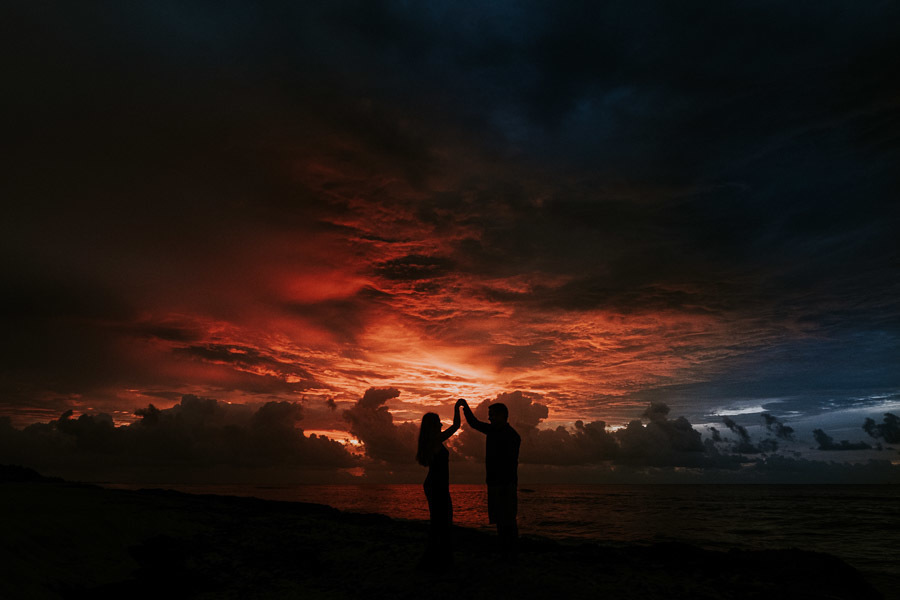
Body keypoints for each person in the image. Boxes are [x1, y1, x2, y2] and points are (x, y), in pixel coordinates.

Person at [458, 398, 521, 554]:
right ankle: (505, 549)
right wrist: (465, 407)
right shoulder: (496, 431)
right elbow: (474, 423)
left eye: (492, 415)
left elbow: (509, 462)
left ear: (502, 416)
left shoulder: (511, 436)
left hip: (505, 483)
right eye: (490, 415)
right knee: (501, 519)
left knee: (508, 519)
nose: (489, 418)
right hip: (496, 482)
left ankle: (510, 550)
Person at [415, 399, 463, 568]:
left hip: (435, 485)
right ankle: (437, 560)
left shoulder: (432, 441)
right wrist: (457, 407)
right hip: (437, 486)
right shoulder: (435, 441)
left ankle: (436, 559)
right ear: (433, 426)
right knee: (442, 523)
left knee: (440, 522)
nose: (442, 424)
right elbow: (456, 425)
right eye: (438, 422)